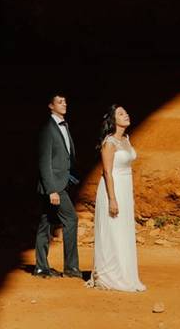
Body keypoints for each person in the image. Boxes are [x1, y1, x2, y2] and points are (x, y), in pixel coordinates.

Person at [86, 104, 146, 291]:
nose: (126, 115)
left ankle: (126, 274)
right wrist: (112, 198)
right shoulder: (109, 142)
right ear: (113, 120)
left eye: (126, 112)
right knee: (113, 230)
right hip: (113, 188)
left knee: (124, 230)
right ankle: (108, 275)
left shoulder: (126, 139)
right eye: (121, 114)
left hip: (125, 187)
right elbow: (106, 171)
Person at [34, 93, 83, 278]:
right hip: (54, 186)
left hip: (61, 182)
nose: (64, 104)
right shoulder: (48, 128)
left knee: (46, 223)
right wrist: (52, 189)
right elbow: (44, 161)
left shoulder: (63, 125)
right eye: (59, 102)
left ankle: (40, 267)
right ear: (50, 106)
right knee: (71, 219)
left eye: (65, 101)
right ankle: (71, 268)